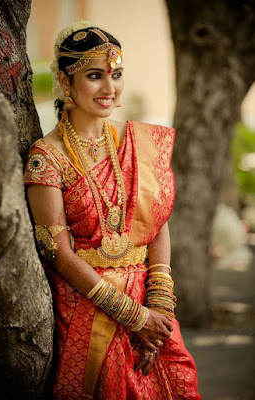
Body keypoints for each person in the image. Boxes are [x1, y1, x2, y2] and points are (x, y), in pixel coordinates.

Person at [24, 20, 201, 400]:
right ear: (64, 81)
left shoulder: (136, 140)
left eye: (116, 74)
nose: (110, 88)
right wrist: (134, 317)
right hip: (89, 307)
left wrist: (159, 306)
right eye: (94, 75)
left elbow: (156, 222)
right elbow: (59, 254)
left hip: (150, 303)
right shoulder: (47, 157)